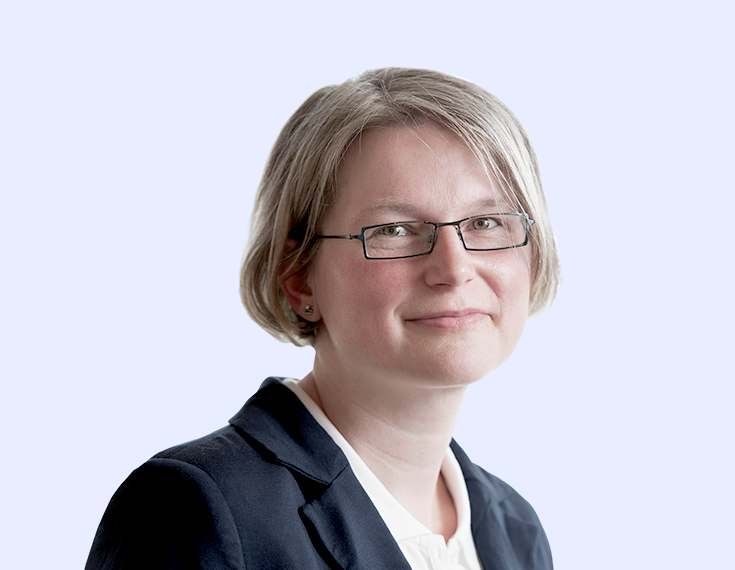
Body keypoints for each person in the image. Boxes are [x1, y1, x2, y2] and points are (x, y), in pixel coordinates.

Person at [86, 67, 560, 570]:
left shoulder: (516, 531)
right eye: (395, 230)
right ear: (300, 278)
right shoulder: (195, 508)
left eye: (486, 222)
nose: (454, 269)